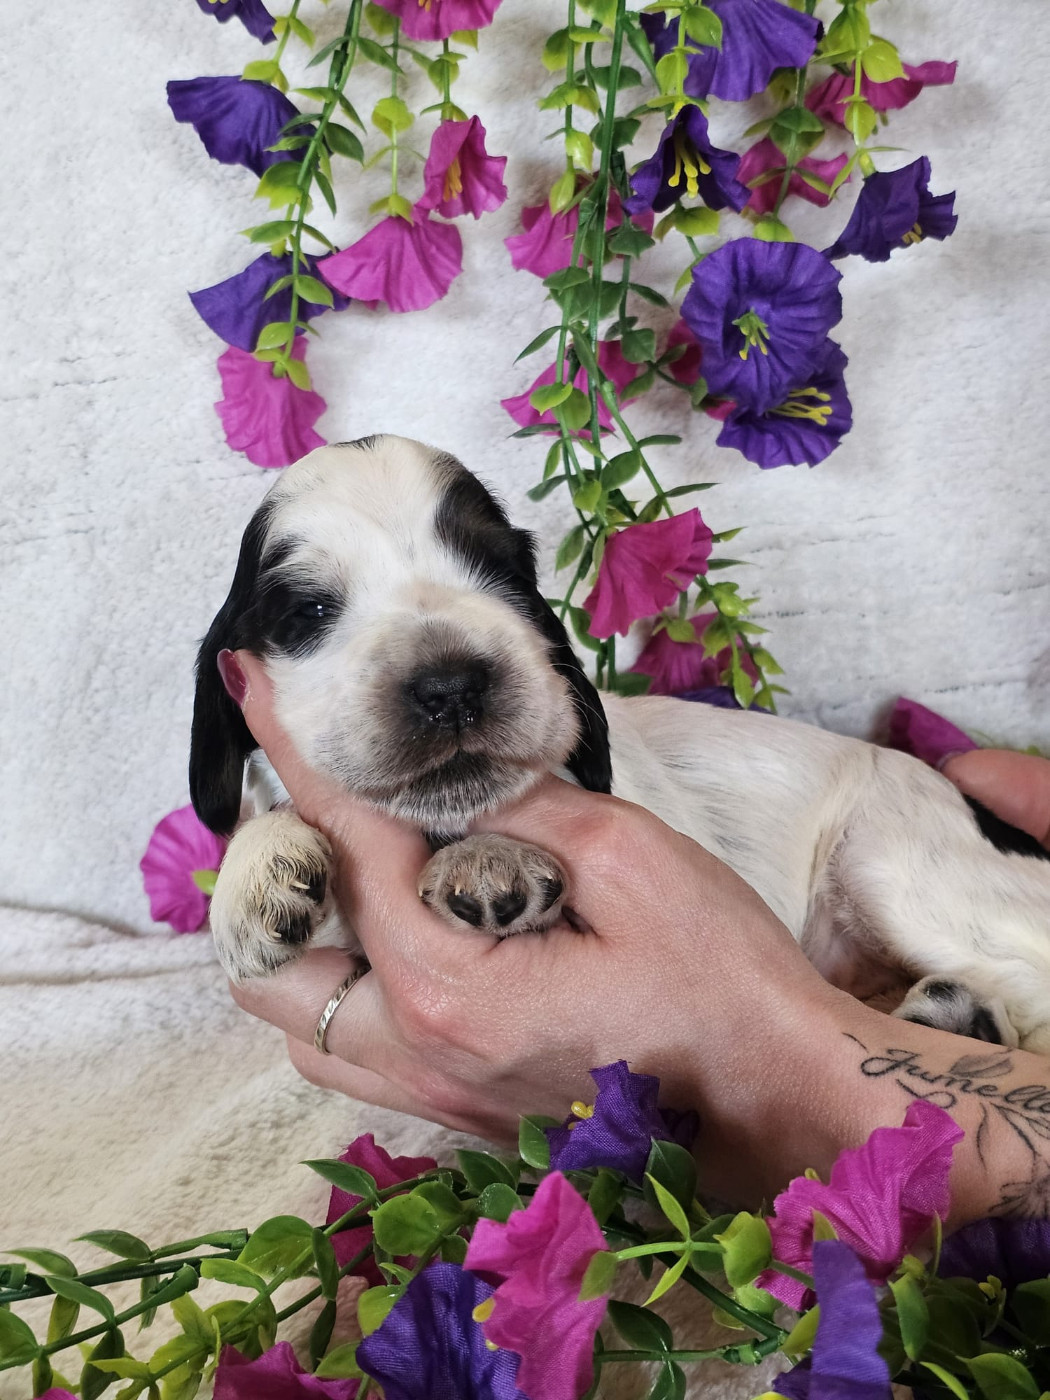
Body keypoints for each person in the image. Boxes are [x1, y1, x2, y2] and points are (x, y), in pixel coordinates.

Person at [228, 650, 1050, 1224]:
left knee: (904, 890)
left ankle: (1013, 1005)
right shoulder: (291, 791)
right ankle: (969, 1022)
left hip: (848, 826)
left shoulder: (560, 736)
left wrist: (775, 1084)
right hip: (853, 997)